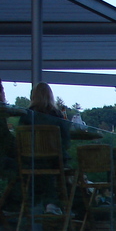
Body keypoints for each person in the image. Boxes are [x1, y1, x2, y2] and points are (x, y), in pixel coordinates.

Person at [18, 82, 72, 215]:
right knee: (62, 172)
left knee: (40, 172)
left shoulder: (26, 116)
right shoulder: (57, 115)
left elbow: (19, 141)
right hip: (54, 162)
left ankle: (37, 204)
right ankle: (54, 203)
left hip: (30, 162)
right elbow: (66, 141)